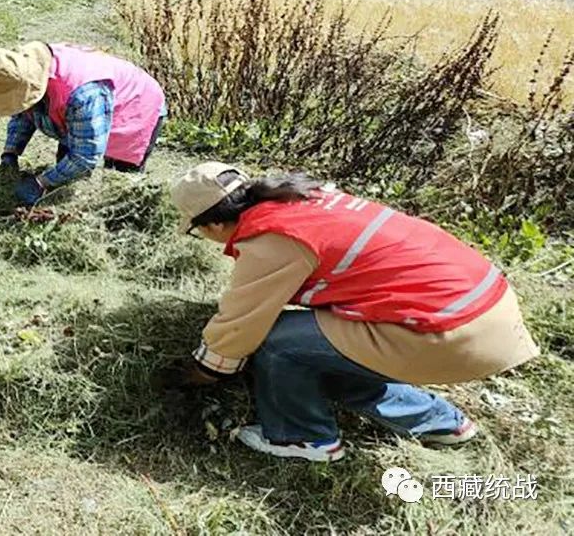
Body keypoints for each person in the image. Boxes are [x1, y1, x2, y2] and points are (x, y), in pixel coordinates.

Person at [169, 162, 540, 463]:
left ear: (214, 224)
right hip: (488, 309)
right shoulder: (303, 201)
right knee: (325, 347)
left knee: (277, 341)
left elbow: (240, 326)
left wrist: (202, 372)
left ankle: (304, 438)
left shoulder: (272, 237)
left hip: (451, 331)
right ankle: (439, 423)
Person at [0, 42, 167, 205]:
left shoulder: (82, 95)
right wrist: (10, 152)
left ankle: (123, 230)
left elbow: (84, 157)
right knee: (64, 178)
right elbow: (23, 113)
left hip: (135, 106)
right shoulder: (20, 74)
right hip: (81, 107)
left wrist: (40, 182)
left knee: (121, 185)